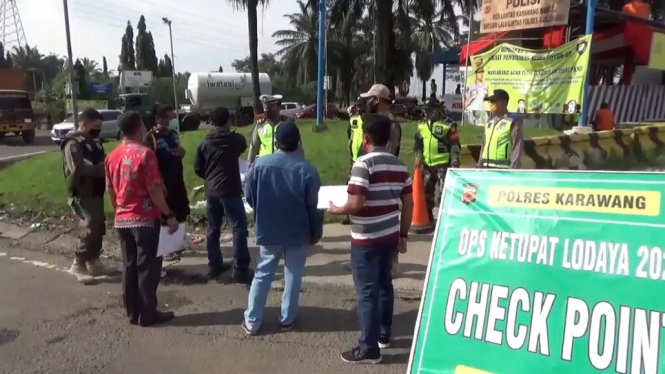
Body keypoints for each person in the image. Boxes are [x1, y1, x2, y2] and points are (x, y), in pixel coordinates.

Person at [328, 114, 413, 364]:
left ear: (365, 138)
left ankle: (369, 348)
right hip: (389, 236)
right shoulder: (399, 165)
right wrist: (403, 234)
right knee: (385, 285)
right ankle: (384, 335)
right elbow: (409, 202)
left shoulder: (362, 165)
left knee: (367, 291)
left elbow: (356, 202)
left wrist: (335, 209)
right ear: (389, 137)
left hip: (366, 238)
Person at [242, 122, 323, 335]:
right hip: (298, 230)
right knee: (293, 274)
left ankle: (252, 320)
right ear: (299, 142)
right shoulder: (308, 170)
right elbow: (315, 206)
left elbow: (249, 194)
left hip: (268, 228)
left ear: (276, 142)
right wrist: (316, 232)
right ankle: (287, 318)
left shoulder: (260, 165)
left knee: (263, 273)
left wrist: (261, 210)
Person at [105, 111, 178, 327]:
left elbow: (110, 190)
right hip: (144, 219)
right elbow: (154, 190)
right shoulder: (145, 154)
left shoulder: (112, 156)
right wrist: (169, 215)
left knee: (129, 266)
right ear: (138, 128)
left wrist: (118, 209)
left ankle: (132, 311)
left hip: (122, 219)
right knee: (148, 266)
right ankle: (148, 313)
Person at [194, 106, 253, 284]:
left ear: (211, 122)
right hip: (230, 190)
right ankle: (240, 269)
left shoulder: (204, 144)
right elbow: (242, 147)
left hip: (212, 191)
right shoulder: (235, 140)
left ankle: (215, 265)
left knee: (213, 228)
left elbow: (198, 168)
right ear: (228, 120)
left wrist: (210, 177)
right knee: (238, 228)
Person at [61, 107, 116, 284]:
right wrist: (101, 169)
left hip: (95, 190)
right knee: (90, 227)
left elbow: (104, 160)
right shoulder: (73, 143)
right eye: (95, 126)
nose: (97, 129)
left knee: (99, 226)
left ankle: (94, 261)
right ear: (84, 124)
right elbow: (77, 169)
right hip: (81, 192)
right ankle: (78, 263)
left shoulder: (94, 142)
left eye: (99, 126)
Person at [143, 104, 190, 262]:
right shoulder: (151, 137)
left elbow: (178, 150)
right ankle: (166, 249)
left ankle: (177, 244)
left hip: (177, 179)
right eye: (167, 118)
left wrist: (182, 152)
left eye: (171, 118)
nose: (170, 121)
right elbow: (147, 160)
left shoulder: (173, 134)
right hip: (162, 181)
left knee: (181, 210)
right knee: (165, 214)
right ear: (158, 119)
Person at [414, 103, 461, 222]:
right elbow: (418, 143)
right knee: (426, 191)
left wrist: (455, 160)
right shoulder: (422, 124)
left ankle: (445, 219)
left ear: (438, 109)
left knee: (445, 192)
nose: (429, 113)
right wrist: (418, 155)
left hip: (443, 164)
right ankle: (428, 217)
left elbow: (455, 144)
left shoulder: (449, 124)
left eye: (431, 110)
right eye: (426, 111)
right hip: (427, 164)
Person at [477, 89, 524, 169]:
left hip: (503, 170)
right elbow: (484, 145)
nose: (491, 104)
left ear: (504, 102)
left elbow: (517, 148)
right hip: (486, 168)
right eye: (490, 101)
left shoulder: (513, 122)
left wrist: (513, 171)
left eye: (494, 101)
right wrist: (479, 165)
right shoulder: (489, 122)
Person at [359, 84, 401, 157]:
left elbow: (389, 153)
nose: (367, 102)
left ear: (377, 100)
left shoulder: (389, 126)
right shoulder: (391, 123)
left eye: (369, 99)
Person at [247, 94, 284, 163]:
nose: (267, 111)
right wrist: (249, 164)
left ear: (279, 108)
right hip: (263, 165)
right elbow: (254, 147)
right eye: (265, 109)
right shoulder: (260, 125)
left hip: (281, 165)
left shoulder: (286, 124)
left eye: (270, 109)